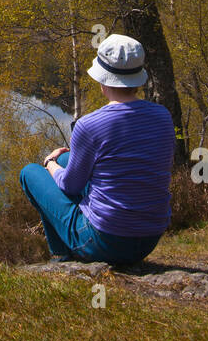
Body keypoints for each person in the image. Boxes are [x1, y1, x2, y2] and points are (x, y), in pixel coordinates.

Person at [19, 33, 175, 264]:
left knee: (31, 173)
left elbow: (69, 184)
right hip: (150, 237)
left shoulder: (89, 125)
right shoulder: (162, 116)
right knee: (68, 160)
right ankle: (70, 242)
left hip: (105, 241)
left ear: (103, 80)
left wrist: (50, 163)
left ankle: (62, 254)